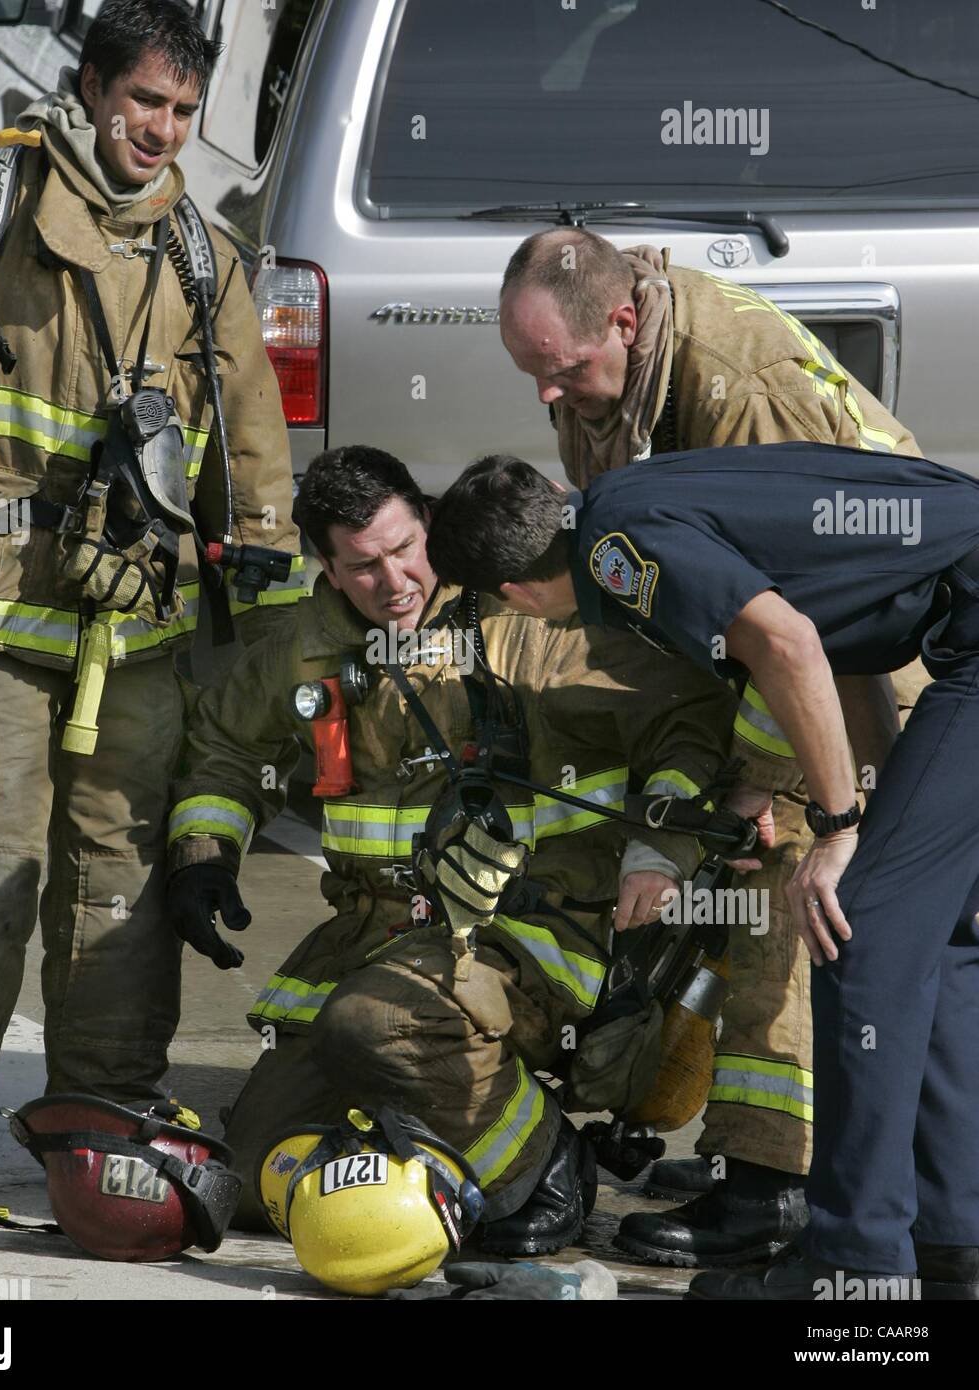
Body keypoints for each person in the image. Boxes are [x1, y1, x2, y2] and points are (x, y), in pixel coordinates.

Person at [0, 0, 305, 1215]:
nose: (158, 130)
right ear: (93, 87)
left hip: (134, 626)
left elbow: (249, 433)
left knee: (120, 874)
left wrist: (264, 560)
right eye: (142, 101)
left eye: (180, 111)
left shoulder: (202, 257)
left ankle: (103, 1119)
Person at [426, 444, 979, 1300]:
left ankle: (854, 1264)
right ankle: (951, 1240)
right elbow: (838, 643)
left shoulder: (618, 550)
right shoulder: (620, 499)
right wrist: (856, 796)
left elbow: (788, 643)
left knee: (853, 930)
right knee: (929, 936)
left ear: (518, 594)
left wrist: (837, 826)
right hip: (963, 631)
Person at [166, 444, 739, 1256]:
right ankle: (434, 1150)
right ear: (326, 568)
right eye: (363, 566)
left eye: (406, 548)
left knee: (378, 1024)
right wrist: (206, 856)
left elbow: (683, 716)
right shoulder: (303, 647)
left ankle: (542, 1166)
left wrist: (659, 850)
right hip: (371, 937)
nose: (394, 581)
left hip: (525, 934)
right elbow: (224, 748)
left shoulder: (521, 625)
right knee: (265, 1174)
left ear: (429, 523)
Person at [496, 227, 919, 1264]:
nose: (550, 399)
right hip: (784, 648)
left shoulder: (737, 392)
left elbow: (796, 630)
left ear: (626, 322)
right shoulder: (606, 384)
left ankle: (775, 1185)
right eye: (534, 377)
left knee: (794, 882)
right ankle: (765, 1154)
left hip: (878, 656)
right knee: (747, 871)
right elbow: (665, 589)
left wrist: (760, 784)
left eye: (563, 371)